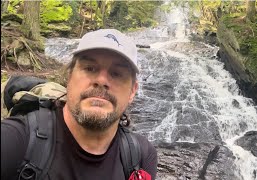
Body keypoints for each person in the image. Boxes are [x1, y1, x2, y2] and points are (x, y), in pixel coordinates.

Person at [1, 29, 158, 180]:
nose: (102, 80)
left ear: (132, 91)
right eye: (90, 68)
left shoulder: (141, 156)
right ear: (69, 78)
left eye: (116, 73)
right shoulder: (18, 140)